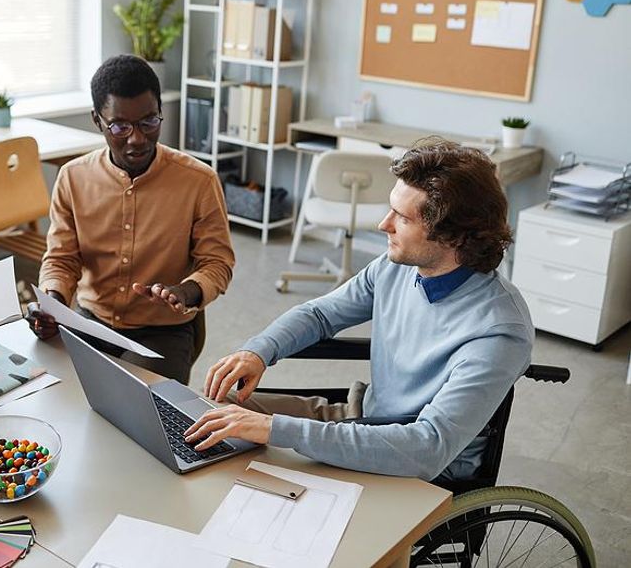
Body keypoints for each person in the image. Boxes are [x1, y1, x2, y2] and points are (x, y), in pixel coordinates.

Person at [185, 139, 534, 481]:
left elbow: (427, 447)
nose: (384, 224)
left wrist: (277, 430)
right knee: (218, 410)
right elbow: (321, 314)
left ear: (455, 237)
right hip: (362, 417)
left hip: (415, 467)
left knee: (254, 451)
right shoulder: (396, 267)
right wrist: (259, 351)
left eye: (402, 218)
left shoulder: (499, 331)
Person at [26, 55, 235, 384]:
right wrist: (53, 304)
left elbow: (217, 263)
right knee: (45, 390)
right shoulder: (73, 177)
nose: (137, 138)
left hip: (163, 333)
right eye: (120, 126)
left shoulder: (199, 181)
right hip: (90, 321)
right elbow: (62, 259)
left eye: (149, 122)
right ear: (98, 120)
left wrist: (188, 291)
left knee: (143, 412)